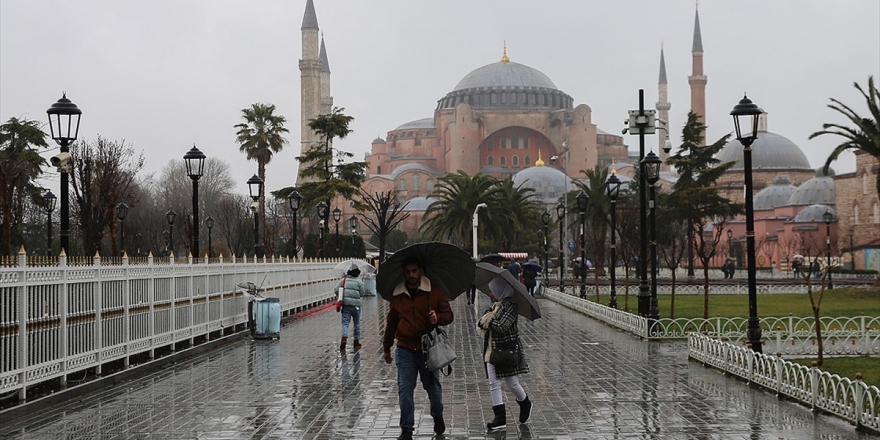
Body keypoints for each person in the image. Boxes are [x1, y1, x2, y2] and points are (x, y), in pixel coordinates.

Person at [382, 256, 453, 439]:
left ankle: (437, 415)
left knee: (434, 391)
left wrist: (438, 317)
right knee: (405, 390)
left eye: (414, 271)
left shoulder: (434, 291)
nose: (411, 275)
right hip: (405, 349)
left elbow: (449, 315)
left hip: (428, 350)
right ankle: (407, 429)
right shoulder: (397, 295)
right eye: (408, 272)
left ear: (420, 270)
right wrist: (386, 347)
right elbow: (391, 323)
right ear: (404, 273)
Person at [477, 277, 532, 431]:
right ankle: (500, 419)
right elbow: (482, 322)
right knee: (493, 383)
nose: (490, 294)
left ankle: (525, 402)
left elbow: (502, 326)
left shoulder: (511, 306)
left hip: (507, 352)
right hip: (491, 351)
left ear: (499, 290)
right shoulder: (494, 306)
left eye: (492, 290)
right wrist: (486, 319)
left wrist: (488, 321)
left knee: (512, 383)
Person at [335, 264, 366, 351]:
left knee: (345, 323)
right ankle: (356, 342)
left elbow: (336, 289)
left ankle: (344, 339)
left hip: (346, 306)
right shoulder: (359, 282)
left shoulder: (343, 280)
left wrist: (341, 296)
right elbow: (362, 293)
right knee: (356, 324)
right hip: (356, 306)